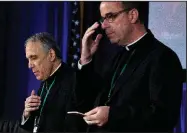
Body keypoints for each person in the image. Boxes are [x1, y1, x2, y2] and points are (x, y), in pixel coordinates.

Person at [76, 1, 183, 132]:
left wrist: (113, 115)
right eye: (103, 19)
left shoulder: (163, 58)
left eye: (110, 16)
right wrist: (85, 59)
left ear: (132, 15)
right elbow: (87, 101)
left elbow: (164, 118)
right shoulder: (118, 56)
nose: (103, 26)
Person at [19, 32, 78, 132]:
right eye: (28, 60)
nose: (29, 65)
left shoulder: (74, 80)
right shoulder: (45, 81)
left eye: (33, 58)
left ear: (51, 55)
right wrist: (27, 113)